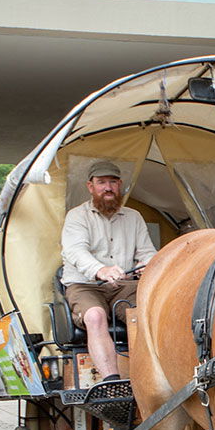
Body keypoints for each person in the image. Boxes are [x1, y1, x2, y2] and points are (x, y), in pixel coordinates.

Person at [59, 160, 157, 385]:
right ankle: (111, 382)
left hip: (123, 285)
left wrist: (147, 264)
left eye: (112, 182)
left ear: (120, 185)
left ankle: (148, 377)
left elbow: (148, 252)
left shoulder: (134, 217)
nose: (108, 187)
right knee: (95, 316)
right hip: (85, 285)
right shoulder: (77, 216)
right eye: (101, 182)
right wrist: (100, 270)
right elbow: (75, 251)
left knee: (144, 312)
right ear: (90, 187)